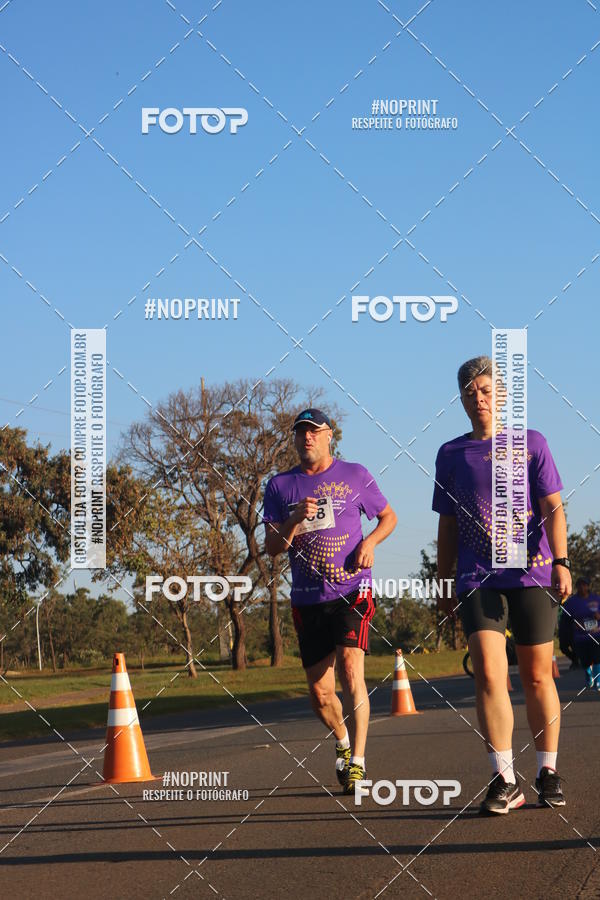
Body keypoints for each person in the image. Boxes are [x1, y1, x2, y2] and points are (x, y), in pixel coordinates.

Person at [433, 356, 572, 814]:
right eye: (470, 392)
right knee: (491, 674)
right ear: (461, 399)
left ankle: (547, 771)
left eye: (487, 390)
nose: (479, 399)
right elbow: (448, 524)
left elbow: (553, 507)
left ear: (502, 396)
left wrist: (563, 562)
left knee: (535, 674)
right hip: (477, 576)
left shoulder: (531, 443)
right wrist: (443, 579)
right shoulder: (451, 454)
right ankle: (503, 778)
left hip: (532, 571)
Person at [263, 408, 397, 794]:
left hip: (353, 590)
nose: (307, 438)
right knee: (321, 696)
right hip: (308, 599)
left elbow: (388, 518)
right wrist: (292, 520)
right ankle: (342, 741)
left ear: (329, 436)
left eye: (314, 432)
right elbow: (272, 547)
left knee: (351, 671)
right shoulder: (280, 486)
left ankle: (358, 762)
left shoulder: (355, 475)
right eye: (300, 432)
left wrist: (369, 543)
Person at [561, 577, 600, 689]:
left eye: (584, 585)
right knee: (585, 661)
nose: (582, 587)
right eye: (580, 585)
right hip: (580, 637)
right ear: (577, 587)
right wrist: (573, 624)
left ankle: (598, 681)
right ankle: (589, 675)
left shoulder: (596, 599)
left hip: (596, 635)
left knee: (597, 658)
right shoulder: (571, 602)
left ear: (588, 586)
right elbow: (565, 618)